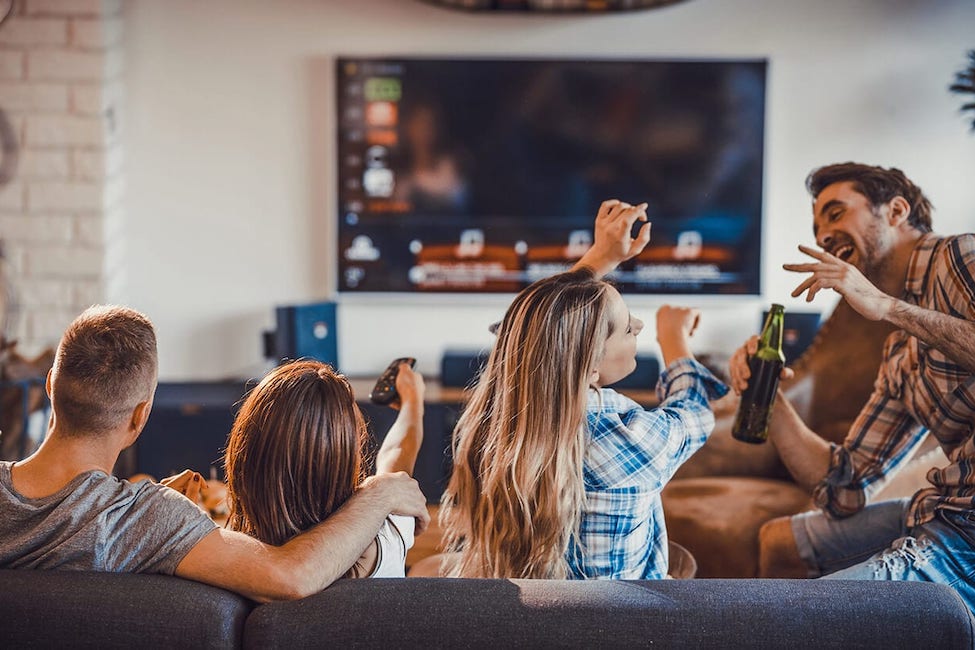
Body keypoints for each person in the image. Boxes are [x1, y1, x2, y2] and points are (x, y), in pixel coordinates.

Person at [729, 162, 975, 614]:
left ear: (896, 210)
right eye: (817, 225)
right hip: (949, 511)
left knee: (799, 616)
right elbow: (845, 487)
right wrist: (768, 393)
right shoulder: (901, 354)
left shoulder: (963, 253)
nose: (824, 234)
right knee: (780, 542)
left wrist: (886, 306)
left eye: (835, 213)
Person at [0, 305, 429, 602]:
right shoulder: (149, 521)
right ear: (140, 416)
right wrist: (378, 492)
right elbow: (291, 576)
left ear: (51, 384)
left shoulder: (153, 517)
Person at [440, 200, 730, 579]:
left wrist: (598, 259)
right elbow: (693, 412)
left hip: (524, 614)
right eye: (628, 328)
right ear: (590, 367)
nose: (640, 326)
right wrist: (673, 340)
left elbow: (529, 333)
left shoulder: (494, 421)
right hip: (617, 624)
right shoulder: (628, 437)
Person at [224, 358, 425, 578]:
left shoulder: (230, 558)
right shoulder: (386, 538)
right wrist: (413, 402)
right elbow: (397, 454)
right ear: (342, 456)